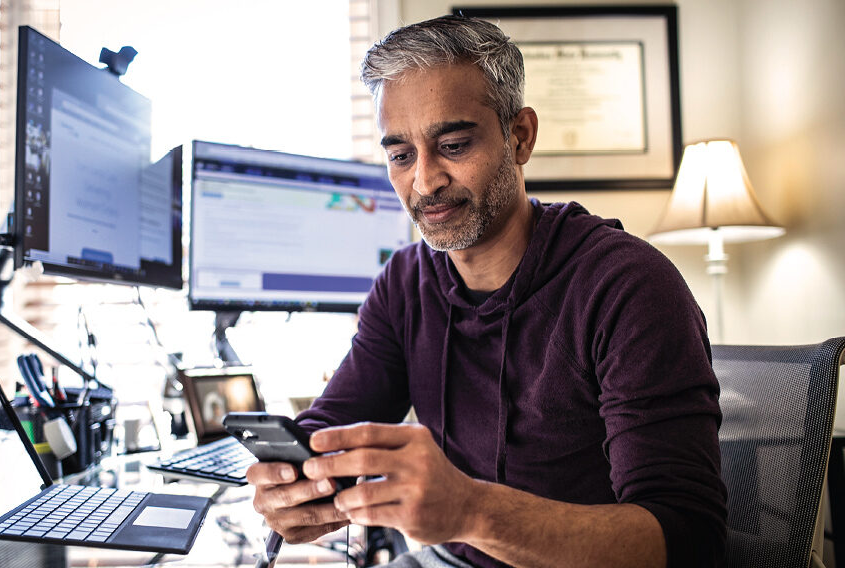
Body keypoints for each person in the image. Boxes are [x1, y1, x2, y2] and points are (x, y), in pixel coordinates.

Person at [245, 14, 727, 568]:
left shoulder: (628, 287)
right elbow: (333, 429)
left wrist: (472, 511)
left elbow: (689, 541)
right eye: (401, 155)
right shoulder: (405, 284)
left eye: (452, 144)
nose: (424, 182)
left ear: (519, 136)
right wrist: (292, 484)